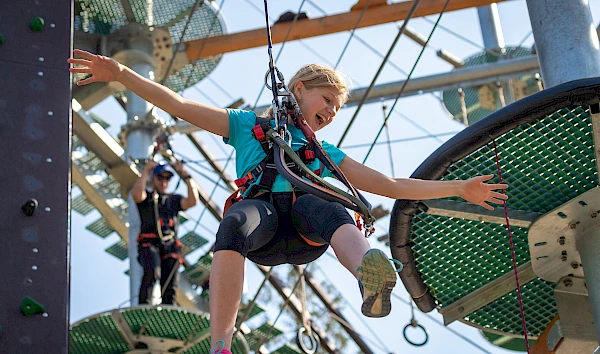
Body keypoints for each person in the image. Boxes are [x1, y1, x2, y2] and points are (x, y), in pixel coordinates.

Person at [69, 50, 508, 354]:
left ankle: (369, 276)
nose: (333, 112)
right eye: (328, 101)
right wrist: (123, 74)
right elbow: (180, 105)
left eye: (338, 109)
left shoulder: (322, 154)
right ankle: (220, 341)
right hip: (261, 224)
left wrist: (458, 188)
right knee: (234, 223)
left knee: (328, 209)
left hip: (303, 229)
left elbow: (388, 184)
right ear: (298, 88)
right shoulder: (247, 126)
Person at [131, 159, 199, 305]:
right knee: (152, 272)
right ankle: (144, 307)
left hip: (170, 245)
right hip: (150, 243)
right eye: (160, 177)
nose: (164, 181)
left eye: (167, 178)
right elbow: (136, 195)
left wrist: (184, 173)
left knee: (170, 283)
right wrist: (146, 171)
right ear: (153, 178)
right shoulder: (147, 198)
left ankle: (169, 309)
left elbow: (193, 201)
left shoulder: (173, 199)